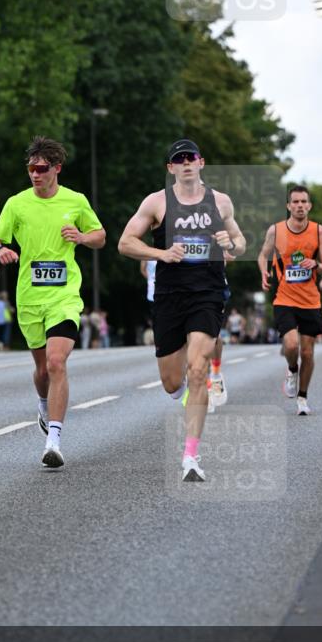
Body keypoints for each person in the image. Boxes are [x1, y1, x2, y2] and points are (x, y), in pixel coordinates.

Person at [118, 138, 245, 482]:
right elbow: (125, 242)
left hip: (208, 292)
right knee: (172, 382)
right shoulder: (157, 202)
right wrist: (161, 254)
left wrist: (229, 244)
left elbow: (239, 240)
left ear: (201, 163)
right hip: (170, 296)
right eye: (179, 159)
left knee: (198, 369)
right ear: (170, 168)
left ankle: (191, 456)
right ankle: (187, 393)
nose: (186, 163)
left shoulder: (220, 201)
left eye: (191, 158)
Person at [0, 136, 106, 469]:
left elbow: (100, 235)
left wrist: (82, 237)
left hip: (64, 295)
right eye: (30, 168)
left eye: (41, 169)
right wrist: (0, 250)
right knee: (42, 369)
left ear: (56, 168)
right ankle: (44, 403)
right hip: (29, 297)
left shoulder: (75, 200)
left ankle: (53, 439)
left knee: (56, 362)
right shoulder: (17, 204)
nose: (35, 174)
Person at [257, 185, 322, 415]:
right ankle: (291, 369)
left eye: (303, 202)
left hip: (310, 301)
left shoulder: (319, 231)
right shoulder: (276, 231)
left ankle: (302, 398)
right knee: (291, 345)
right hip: (285, 299)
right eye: (295, 202)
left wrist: (316, 264)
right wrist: (264, 272)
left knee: (308, 353)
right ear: (288, 206)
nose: (299, 205)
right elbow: (263, 255)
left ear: (309, 205)